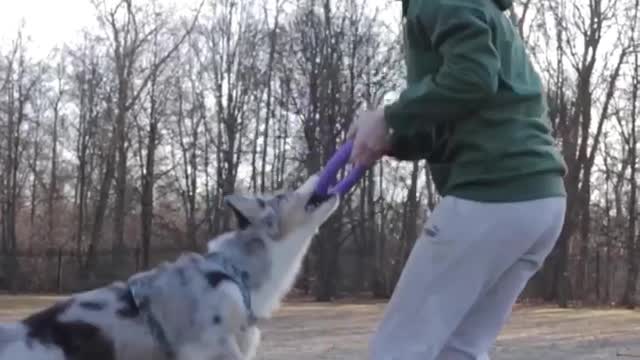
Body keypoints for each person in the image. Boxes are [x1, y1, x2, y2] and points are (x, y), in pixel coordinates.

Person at [346, 0, 567, 359]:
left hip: (493, 190)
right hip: (539, 200)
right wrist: (390, 138)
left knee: (398, 350)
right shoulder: (475, 8)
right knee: (458, 350)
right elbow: (455, 108)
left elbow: (473, 76)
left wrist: (390, 115)